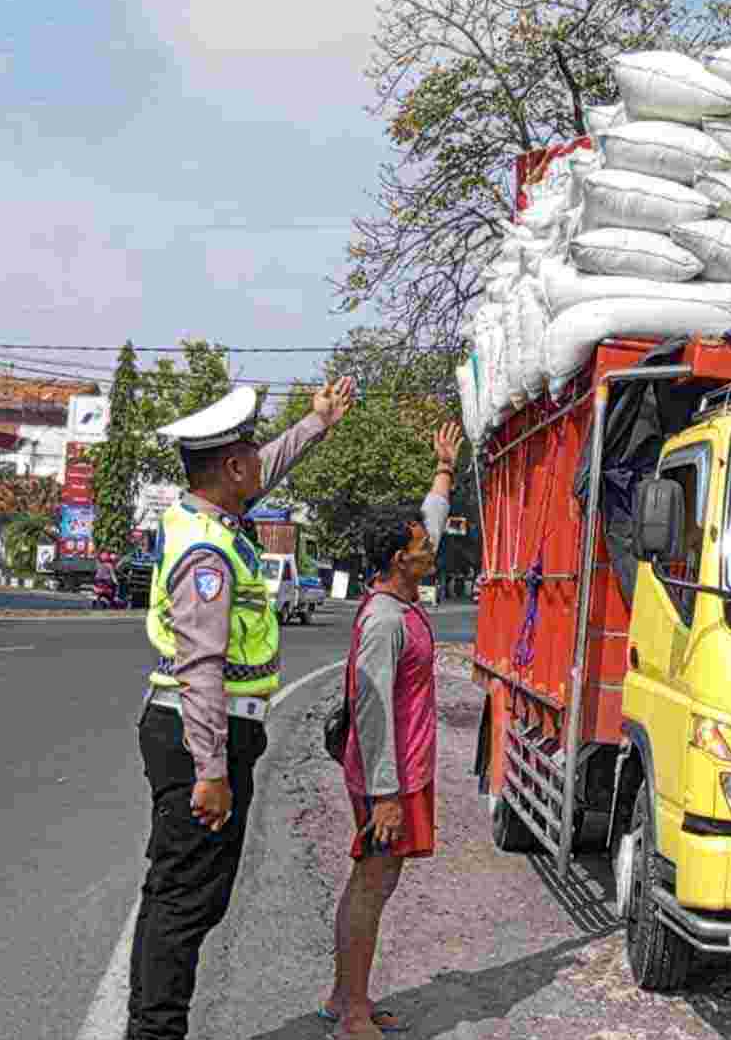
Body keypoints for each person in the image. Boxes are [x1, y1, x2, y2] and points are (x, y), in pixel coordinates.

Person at [126, 378, 356, 1040]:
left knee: (178, 893)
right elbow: (201, 669)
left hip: (197, 729)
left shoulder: (206, 517)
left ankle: (148, 1027)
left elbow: (268, 466)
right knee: (186, 899)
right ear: (230, 468)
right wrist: (212, 769)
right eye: (250, 453)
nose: (261, 460)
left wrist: (316, 424)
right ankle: (154, 1033)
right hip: (201, 733)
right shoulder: (208, 552)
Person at [323, 422, 461, 1040]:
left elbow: (429, 521)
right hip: (388, 777)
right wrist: (384, 795)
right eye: (421, 546)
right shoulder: (384, 620)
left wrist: (444, 470)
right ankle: (350, 1012)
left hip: (402, 773)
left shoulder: (402, 597)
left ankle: (346, 995)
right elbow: (372, 709)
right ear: (398, 560)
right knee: (372, 884)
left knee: (380, 882)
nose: (433, 548)